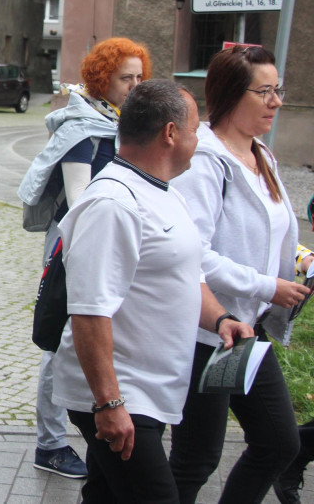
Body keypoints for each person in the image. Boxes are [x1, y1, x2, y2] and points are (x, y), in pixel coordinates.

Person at [51, 80, 254, 503]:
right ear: (170, 133)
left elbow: (187, 276)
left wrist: (220, 319)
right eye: (196, 130)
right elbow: (90, 313)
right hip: (118, 393)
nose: (199, 141)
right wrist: (108, 405)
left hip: (149, 390)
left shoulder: (164, 193)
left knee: (106, 496)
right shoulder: (113, 203)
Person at [167, 44, 313, 504]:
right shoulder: (205, 162)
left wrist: (299, 260)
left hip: (246, 331)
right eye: (264, 91)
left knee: (279, 443)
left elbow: (270, 233)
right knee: (196, 458)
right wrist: (267, 285)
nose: (277, 102)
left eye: (278, 90)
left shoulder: (261, 155)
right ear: (231, 94)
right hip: (206, 332)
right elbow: (193, 253)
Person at [17, 37, 151, 478]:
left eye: (138, 77)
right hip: (75, 242)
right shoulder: (83, 127)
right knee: (60, 338)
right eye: (124, 78)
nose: (134, 85)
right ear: (102, 78)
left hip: (108, 239)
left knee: (95, 335)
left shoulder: (117, 121)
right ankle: (50, 444)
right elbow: (79, 204)